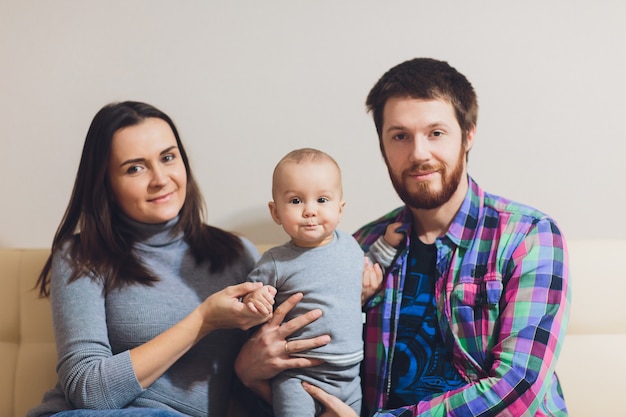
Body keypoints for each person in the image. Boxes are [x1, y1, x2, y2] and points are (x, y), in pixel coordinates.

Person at [244, 58, 572, 417]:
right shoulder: (359, 247)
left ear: (468, 134)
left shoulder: (527, 236)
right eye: (400, 136)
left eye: (436, 133)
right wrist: (247, 367)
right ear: (383, 146)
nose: (418, 154)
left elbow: (519, 388)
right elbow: (324, 370)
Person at [26, 101, 326, 417]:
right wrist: (203, 319)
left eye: (168, 158)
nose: (160, 179)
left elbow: (259, 383)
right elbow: (87, 390)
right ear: (106, 184)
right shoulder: (82, 255)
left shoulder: (236, 254)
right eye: (135, 168)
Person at [241, 148, 368, 416]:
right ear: (275, 212)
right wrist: (254, 300)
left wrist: (383, 258)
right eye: (296, 201)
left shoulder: (352, 246)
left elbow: (363, 279)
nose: (310, 210)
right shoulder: (275, 261)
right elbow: (246, 301)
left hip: (350, 375)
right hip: (299, 375)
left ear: (340, 209)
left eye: (322, 199)